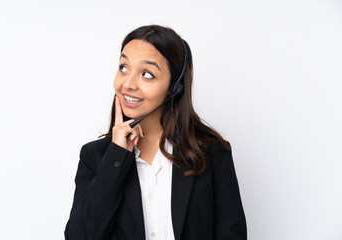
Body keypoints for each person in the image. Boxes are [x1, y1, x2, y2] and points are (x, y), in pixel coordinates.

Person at [64, 25, 247, 240]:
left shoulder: (212, 153)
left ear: (174, 86)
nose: (128, 84)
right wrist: (115, 158)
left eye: (147, 74)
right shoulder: (95, 157)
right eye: (123, 67)